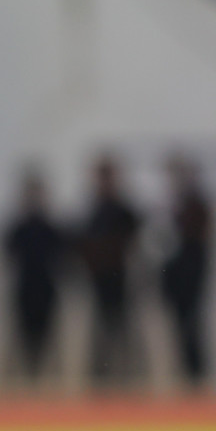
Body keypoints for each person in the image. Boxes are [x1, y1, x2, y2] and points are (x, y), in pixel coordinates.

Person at [80, 155, 143, 387]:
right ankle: (101, 380)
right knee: (101, 332)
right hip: (99, 280)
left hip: (121, 279)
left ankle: (130, 378)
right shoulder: (94, 211)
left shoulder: (124, 211)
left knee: (124, 330)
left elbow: (134, 243)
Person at [158, 153, 214, 388]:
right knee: (181, 329)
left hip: (190, 276)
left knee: (191, 327)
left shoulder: (196, 204)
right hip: (178, 277)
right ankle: (188, 373)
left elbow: (199, 241)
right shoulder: (173, 204)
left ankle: (196, 375)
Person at [4, 170, 64, 384]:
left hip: (46, 289)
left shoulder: (50, 228)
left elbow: (62, 258)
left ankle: (45, 381)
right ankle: (24, 381)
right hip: (25, 288)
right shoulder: (19, 228)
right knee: (22, 338)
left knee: (47, 338)